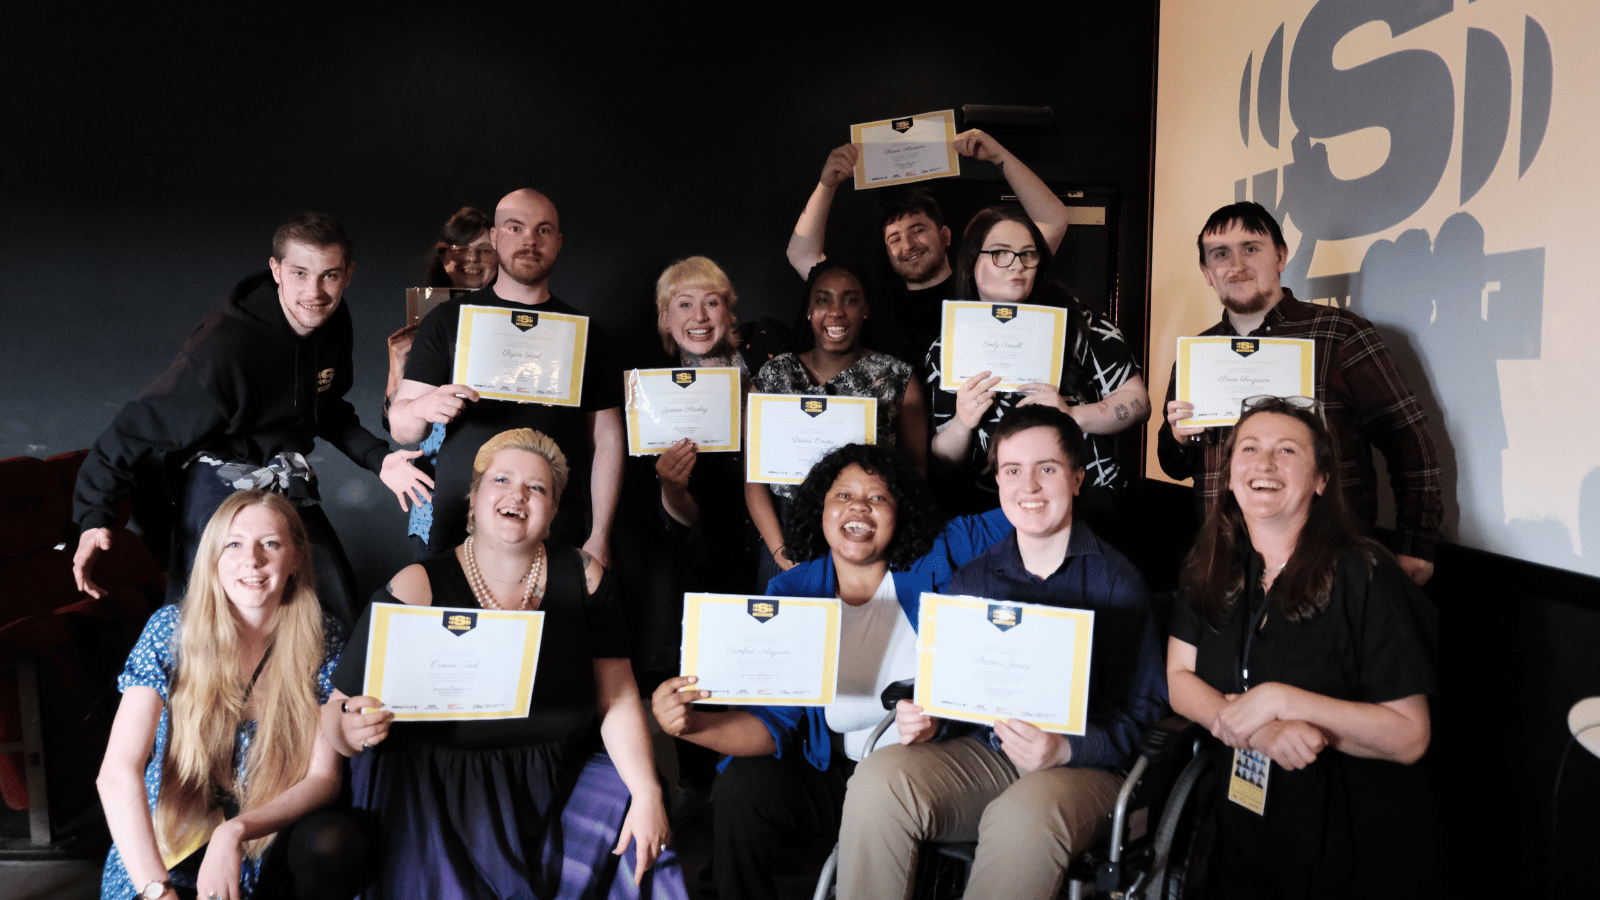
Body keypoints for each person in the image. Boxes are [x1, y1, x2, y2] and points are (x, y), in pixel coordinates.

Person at [324, 429, 684, 898]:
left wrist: (648, 791)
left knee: (637, 810)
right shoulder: (417, 586)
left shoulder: (586, 577)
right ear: (473, 501)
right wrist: (350, 732)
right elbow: (335, 712)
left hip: (556, 776)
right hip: (438, 789)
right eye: (502, 480)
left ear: (552, 512)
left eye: (537, 488)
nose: (518, 494)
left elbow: (615, 696)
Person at [652, 443, 1014, 900]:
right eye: (843, 496)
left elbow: (1022, 513)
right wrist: (690, 725)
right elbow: (772, 724)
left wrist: (1044, 446)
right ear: (819, 511)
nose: (859, 506)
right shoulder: (792, 591)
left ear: (901, 512)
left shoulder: (939, 554)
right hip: (835, 772)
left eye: (878, 497)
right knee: (741, 786)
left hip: (925, 771)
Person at [837, 406, 1165, 899]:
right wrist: (929, 721)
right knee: (878, 777)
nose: (1028, 486)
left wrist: (1064, 749)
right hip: (990, 752)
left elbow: (1141, 718)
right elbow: (951, 694)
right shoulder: (974, 579)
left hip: (1085, 767)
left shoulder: (1117, 583)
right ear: (998, 482)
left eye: (1047, 469)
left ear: (1077, 479)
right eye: (1013, 471)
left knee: (1022, 816)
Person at [72, 212, 430, 626]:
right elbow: (132, 429)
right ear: (276, 270)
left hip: (281, 476)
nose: (314, 292)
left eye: (329, 275)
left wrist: (380, 459)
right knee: (218, 619)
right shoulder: (223, 348)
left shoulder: (333, 321)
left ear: (348, 274)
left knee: (329, 600)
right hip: (215, 481)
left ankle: (326, 693)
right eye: (299, 273)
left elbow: (326, 408)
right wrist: (93, 517)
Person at [1166, 396, 1438, 897]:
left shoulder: (1366, 575)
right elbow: (1180, 680)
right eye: (1249, 448)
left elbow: (1409, 737)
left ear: (1321, 480)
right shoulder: (1211, 562)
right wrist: (1258, 734)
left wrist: (1278, 701)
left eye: (1287, 450)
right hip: (1243, 833)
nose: (1265, 462)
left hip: (1351, 844)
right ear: (1228, 476)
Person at [1159, 201, 1443, 586]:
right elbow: (1174, 464)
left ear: (1280, 255)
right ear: (1207, 272)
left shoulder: (1340, 334)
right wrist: (1177, 438)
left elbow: (1408, 440)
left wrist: (1416, 544)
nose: (1237, 264)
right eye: (1221, 254)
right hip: (1227, 566)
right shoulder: (1199, 354)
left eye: (1251, 248)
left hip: (1329, 564)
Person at [98, 491, 360, 900]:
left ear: (295, 558)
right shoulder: (171, 631)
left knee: (335, 840)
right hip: (167, 851)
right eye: (233, 544)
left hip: (263, 840)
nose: (251, 560)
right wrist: (157, 892)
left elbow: (323, 778)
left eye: (270, 544)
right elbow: (116, 773)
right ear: (213, 559)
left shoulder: (323, 637)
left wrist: (234, 833)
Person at [388, 189, 625, 564]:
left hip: (557, 527)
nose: (530, 240)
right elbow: (402, 429)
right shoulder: (447, 321)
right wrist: (424, 405)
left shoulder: (586, 334)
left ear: (558, 243)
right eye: (516, 228)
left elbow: (608, 440)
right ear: (496, 237)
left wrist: (600, 535)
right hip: (458, 525)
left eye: (543, 230)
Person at [786, 130, 1074, 374]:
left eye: (918, 230)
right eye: (894, 239)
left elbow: (1053, 221)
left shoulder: (983, 283)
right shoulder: (876, 303)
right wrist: (827, 184)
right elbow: (800, 255)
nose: (908, 245)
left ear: (945, 235)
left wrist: (1000, 156)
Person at [928, 207, 1149, 515]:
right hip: (990, 512)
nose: (1017, 266)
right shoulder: (948, 346)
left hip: (1087, 503)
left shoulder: (1080, 324)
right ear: (971, 261)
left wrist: (1072, 413)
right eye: (1001, 254)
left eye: (1028, 255)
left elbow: (1138, 404)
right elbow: (941, 463)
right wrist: (961, 423)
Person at [745, 262, 928, 586]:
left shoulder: (898, 377)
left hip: (867, 541)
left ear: (866, 309)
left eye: (850, 299)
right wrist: (780, 553)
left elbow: (915, 476)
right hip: (783, 539)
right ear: (809, 310)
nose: (836, 312)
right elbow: (754, 480)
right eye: (823, 300)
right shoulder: (773, 377)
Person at [382, 207, 498, 558]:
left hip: (497, 458)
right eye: (459, 250)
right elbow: (393, 423)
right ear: (444, 256)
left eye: (483, 249)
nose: (471, 259)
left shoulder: (521, 317)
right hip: (437, 469)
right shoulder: (428, 316)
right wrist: (398, 363)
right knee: (438, 578)